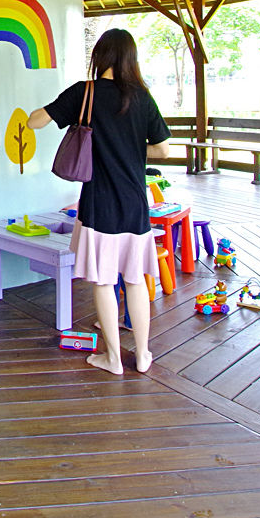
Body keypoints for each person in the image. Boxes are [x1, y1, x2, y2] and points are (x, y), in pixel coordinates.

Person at [26, 28, 172, 375]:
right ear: (130, 59)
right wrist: (132, 149)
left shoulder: (85, 92)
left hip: (100, 203)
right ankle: (145, 353)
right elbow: (163, 149)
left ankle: (113, 358)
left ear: (100, 57)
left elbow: (35, 122)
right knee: (135, 279)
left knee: (104, 282)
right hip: (136, 203)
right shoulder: (142, 97)